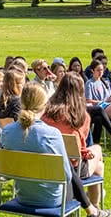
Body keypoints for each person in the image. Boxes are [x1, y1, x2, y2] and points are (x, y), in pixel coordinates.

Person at [1, 82, 111, 217]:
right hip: (51, 199)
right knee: (66, 173)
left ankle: (92, 211)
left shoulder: (7, 131)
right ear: (44, 105)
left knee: (64, 170)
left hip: (23, 193)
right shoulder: (51, 134)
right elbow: (67, 176)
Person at [42, 76, 107, 210]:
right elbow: (79, 144)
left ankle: (93, 205)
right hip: (72, 167)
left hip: (47, 163)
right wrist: (85, 152)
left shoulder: (46, 112)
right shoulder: (81, 115)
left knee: (99, 166)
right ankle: (94, 206)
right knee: (98, 151)